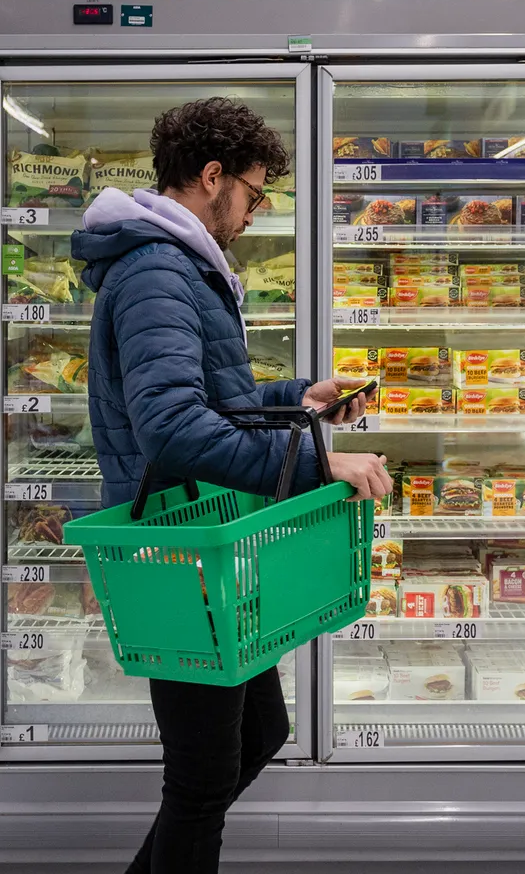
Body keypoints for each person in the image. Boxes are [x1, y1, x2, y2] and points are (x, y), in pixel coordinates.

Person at [71, 97, 392, 873]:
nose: (254, 210)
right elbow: (174, 427)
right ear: (212, 177)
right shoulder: (157, 270)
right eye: (253, 191)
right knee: (202, 779)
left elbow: (207, 399)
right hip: (178, 549)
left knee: (256, 738)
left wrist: (297, 399)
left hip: (208, 537)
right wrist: (321, 463)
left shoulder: (180, 263)